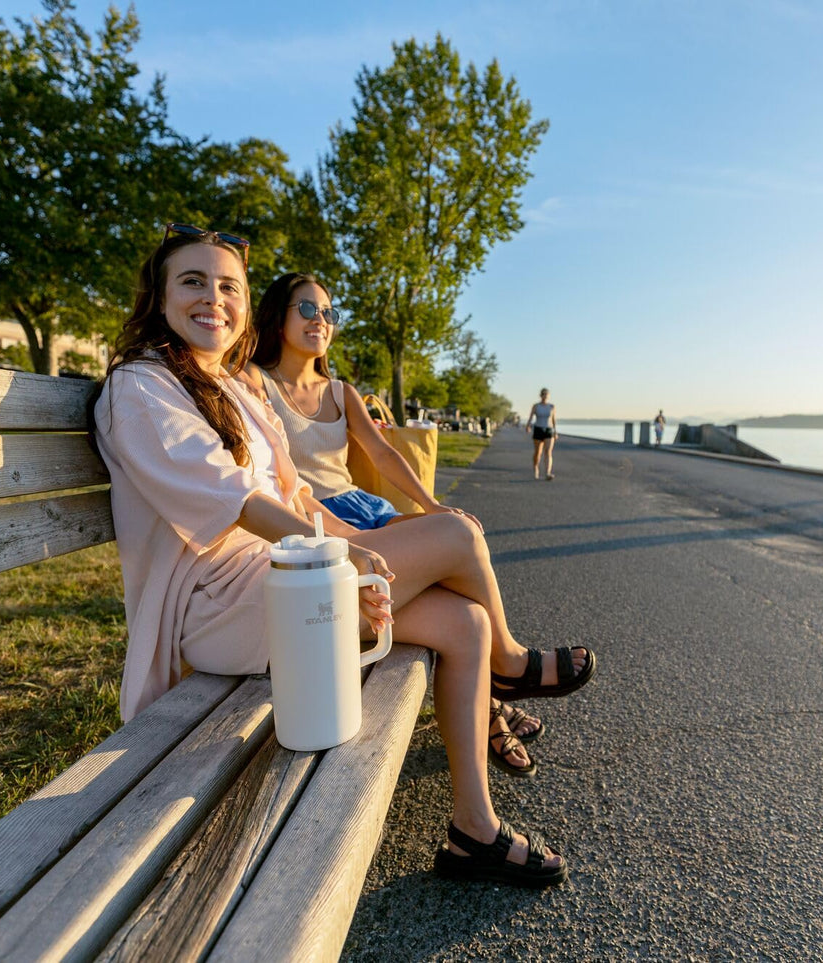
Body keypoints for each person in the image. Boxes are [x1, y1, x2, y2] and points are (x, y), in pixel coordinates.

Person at [92, 225, 590, 886]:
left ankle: (474, 829)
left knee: (462, 623)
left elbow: (296, 495)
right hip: (223, 608)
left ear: (244, 304)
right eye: (192, 281)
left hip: (291, 579)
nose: (212, 298)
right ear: (158, 297)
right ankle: (510, 663)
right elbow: (235, 498)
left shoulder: (233, 389)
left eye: (227, 286)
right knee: (457, 536)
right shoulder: (141, 387)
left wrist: (346, 545)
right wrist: (345, 552)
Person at [245, 272, 549, 776]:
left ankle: (493, 693)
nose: (320, 320)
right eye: (306, 309)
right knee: (460, 572)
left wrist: (430, 504)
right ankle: (500, 688)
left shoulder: (341, 391)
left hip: (365, 508)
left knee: (459, 542)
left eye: (329, 313)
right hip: (315, 523)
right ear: (278, 316)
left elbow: (382, 454)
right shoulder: (259, 383)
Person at [527, 388, 557, 480]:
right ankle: (536, 469)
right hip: (538, 429)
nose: (545, 396)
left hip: (549, 430)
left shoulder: (552, 406)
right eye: (543, 394)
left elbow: (553, 420)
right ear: (540, 395)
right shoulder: (536, 406)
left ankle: (548, 473)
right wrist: (528, 425)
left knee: (548, 452)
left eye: (546, 394)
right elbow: (531, 417)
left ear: (548, 396)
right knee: (538, 452)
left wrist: (555, 431)